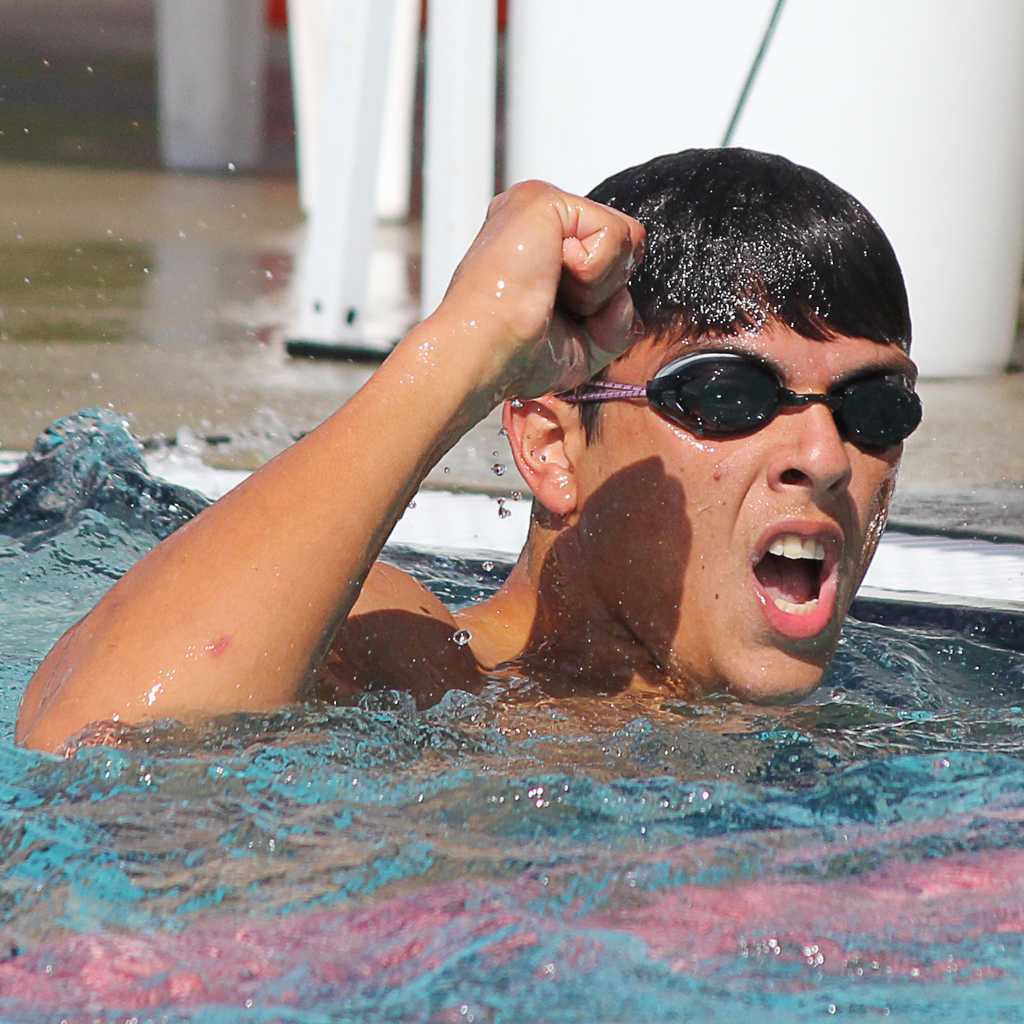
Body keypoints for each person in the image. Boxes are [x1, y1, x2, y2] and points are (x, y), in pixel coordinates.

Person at [16, 148, 921, 753]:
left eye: (873, 406)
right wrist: (465, 347)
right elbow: (101, 749)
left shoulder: (871, 730)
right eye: (728, 395)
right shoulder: (407, 663)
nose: (825, 453)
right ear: (549, 444)